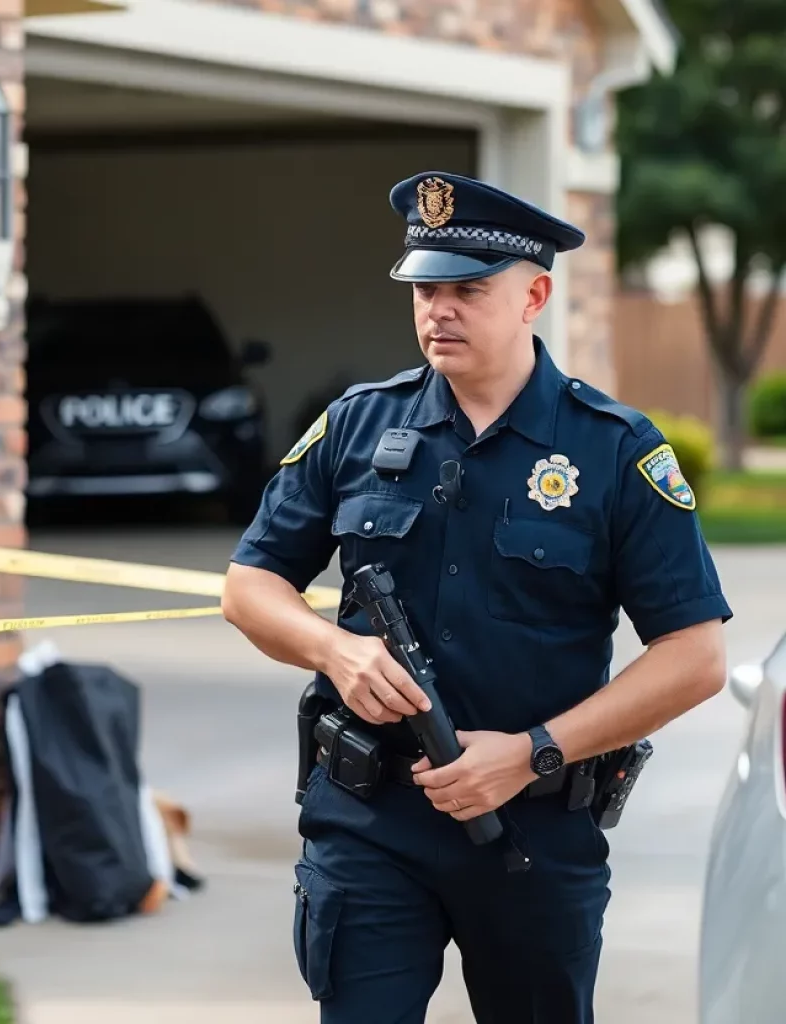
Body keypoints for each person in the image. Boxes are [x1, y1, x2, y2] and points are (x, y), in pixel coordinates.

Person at [221, 170, 733, 1023]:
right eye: (426, 290)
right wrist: (335, 651)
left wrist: (533, 752)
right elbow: (249, 586)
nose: (439, 311)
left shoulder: (614, 450)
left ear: (534, 297)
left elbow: (695, 657)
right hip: (370, 819)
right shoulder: (357, 424)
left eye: (467, 291)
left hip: (533, 831)